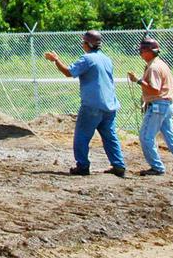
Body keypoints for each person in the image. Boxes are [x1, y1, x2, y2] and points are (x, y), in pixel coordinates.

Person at [44, 30, 127, 177]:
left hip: (92, 105)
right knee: (110, 136)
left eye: (83, 42)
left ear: (88, 44)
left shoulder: (87, 59)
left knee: (82, 136)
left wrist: (56, 60)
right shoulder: (107, 59)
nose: (82, 44)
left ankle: (82, 166)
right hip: (110, 105)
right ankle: (119, 165)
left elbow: (69, 72)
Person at [128, 36, 173, 180]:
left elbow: (154, 89)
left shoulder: (154, 67)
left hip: (158, 106)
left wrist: (138, 81)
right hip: (166, 105)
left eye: (142, 50)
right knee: (171, 139)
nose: (140, 53)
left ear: (149, 51)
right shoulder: (161, 64)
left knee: (145, 137)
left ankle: (157, 167)